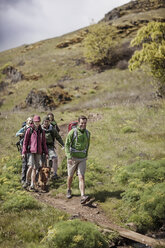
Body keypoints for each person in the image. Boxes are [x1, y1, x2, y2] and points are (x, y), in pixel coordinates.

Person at [65, 115, 90, 204]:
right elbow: (67, 145)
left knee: (81, 176)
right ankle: (68, 189)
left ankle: (83, 196)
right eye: (82, 123)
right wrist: (68, 156)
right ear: (78, 123)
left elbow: (88, 145)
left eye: (85, 123)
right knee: (70, 176)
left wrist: (86, 155)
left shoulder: (87, 133)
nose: (83, 125)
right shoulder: (72, 132)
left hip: (82, 158)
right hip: (73, 158)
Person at [22, 115, 48, 191]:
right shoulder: (29, 130)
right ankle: (27, 181)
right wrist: (23, 152)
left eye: (38, 121)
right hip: (30, 151)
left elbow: (44, 143)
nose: (37, 122)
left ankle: (32, 185)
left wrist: (46, 153)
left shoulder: (41, 131)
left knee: (35, 168)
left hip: (38, 151)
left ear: (40, 122)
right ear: (33, 121)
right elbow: (25, 142)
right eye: (36, 121)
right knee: (30, 166)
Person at [16, 116, 33, 186]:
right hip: (23, 148)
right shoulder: (24, 128)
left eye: (31, 120)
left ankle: (28, 179)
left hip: (30, 148)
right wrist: (21, 134)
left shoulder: (33, 128)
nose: (30, 122)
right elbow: (16, 134)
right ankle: (23, 179)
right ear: (26, 121)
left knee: (30, 164)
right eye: (29, 120)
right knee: (24, 164)